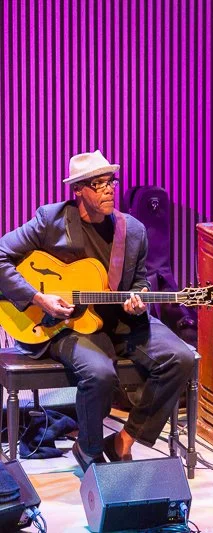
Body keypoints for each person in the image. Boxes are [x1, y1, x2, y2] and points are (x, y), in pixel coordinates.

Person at [0, 150, 195, 471]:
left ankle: (124, 441)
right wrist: (37, 298)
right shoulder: (51, 220)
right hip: (67, 324)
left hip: (123, 322)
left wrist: (138, 298)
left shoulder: (131, 231)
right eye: (97, 183)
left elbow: (141, 282)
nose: (108, 189)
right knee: (100, 374)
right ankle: (89, 452)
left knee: (181, 357)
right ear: (78, 190)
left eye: (111, 182)